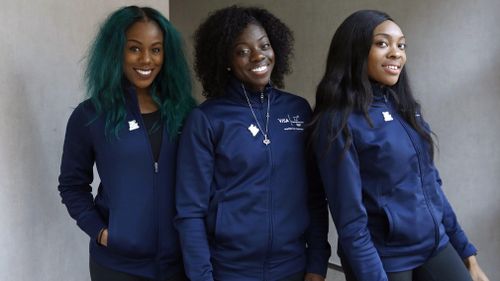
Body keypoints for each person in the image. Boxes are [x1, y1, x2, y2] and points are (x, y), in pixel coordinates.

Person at [309, 9, 490, 281]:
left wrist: (467, 254)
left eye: (401, 45)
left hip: (434, 245)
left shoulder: (404, 108)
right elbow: (350, 221)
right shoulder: (337, 122)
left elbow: (432, 186)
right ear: (355, 50)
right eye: (382, 44)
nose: (396, 53)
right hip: (384, 257)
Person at [174, 5, 331, 281]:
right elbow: (190, 212)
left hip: (292, 268)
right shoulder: (207, 119)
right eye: (242, 51)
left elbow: (315, 196)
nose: (258, 56)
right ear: (227, 60)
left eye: (264, 46)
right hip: (230, 271)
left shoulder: (298, 110)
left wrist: (317, 265)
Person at [58, 6, 195, 281]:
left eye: (156, 49)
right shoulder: (90, 115)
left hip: (179, 263)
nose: (146, 59)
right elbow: (72, 185)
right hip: (117, 266)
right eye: (134, 48)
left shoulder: (186, 112)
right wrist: (101, 232)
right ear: (116, 51)